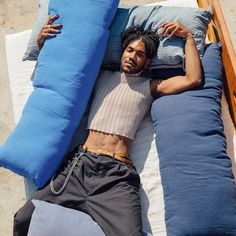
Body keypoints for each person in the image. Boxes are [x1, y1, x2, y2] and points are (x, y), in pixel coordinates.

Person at [13, 15, 201, 236]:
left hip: (116, 176)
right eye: (130, 50)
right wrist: (41, 42)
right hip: (80, 166)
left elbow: (192, 79)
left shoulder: (149, 86)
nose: (132, 56)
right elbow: (60, 70)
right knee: (25, 218)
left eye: (140, 54)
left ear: (147, 62)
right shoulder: (100, 75)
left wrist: (188, 36)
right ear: (122, 52)